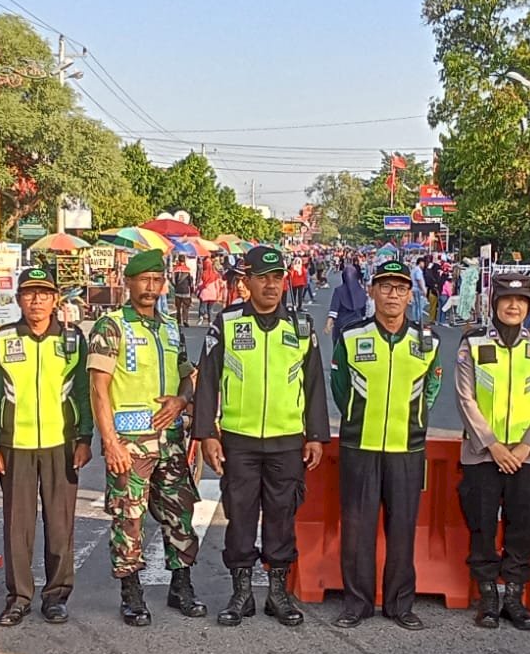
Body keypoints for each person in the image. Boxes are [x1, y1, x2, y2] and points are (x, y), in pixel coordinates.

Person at [193, 245, 329, 628]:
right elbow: (208, 379)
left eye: (277, 278)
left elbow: (314, 383)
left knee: (282, 515)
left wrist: (316, 435)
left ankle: (277, 593)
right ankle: (241, 594)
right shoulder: (227, 322)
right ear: (246, 282)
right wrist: (207, 433)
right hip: (239, 438)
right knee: (239, 517)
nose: (271, 285)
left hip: (287, 440)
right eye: (263, 278)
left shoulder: (300, 326)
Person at [88, 249, 204, 626]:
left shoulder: (170, 326)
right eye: (144, 280)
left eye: (157, 281)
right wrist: (110, 442)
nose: (151, 288)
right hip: (130, 442)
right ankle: (131, 592)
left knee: (180, 512)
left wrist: (182, 398)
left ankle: (181, 585)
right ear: (129, 282)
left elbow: (188, 373)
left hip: (170, 439)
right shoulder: (112, 326)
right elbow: (98, 388)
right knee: (129, 516)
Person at [330, 257, 443, 629]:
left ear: (411, 296)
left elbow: (432, 388)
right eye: (385, 287)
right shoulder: (351, 335)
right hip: (359, 446)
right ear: (372, 291)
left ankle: (399, 604)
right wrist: (355, 415)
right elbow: (340, 385)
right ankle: (356, 604)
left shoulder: (427, 341)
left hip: (407, 448)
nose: (392, 295)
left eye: (400, 288)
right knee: (358, 528)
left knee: (402, 528)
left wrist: (415, 420)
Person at [0, 266, 92, 624]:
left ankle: (56, 595)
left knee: (60, 525)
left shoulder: (73, 339)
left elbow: (82, 391)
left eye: (44, 293)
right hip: (16, 444)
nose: (36, 300)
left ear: (56, 299)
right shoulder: (3, 339)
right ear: (18, 300)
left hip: (62, 444)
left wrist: (84, 438)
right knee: (19, 526)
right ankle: (18, 596)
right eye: (29, 293)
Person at [455, 274, 530, 630]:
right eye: (506, 299)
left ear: (528, 306)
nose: (513, 306)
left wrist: (526, 446)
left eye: (520, 300)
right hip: (483, 454)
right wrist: (493, 445)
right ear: (494, 303)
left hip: (525, 456)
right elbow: (465, 398)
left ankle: (513, 596)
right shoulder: (473, 343)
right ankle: (488, 596)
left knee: (521, 525)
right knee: (481, 525)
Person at [326, 262, 368, 336]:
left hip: (342, 326)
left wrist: (328, 324)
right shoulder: (362, 291)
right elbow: (364, 311)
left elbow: (334, 309)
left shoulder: (339, 290)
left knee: (338, 345)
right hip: (358, 325)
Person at [170, 258, 195, 327]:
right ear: (184, 261)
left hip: (178, 291)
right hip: (186, 291)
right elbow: (191, 282)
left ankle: (178, 321)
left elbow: (173, 281)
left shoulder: (175, 270)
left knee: (178, 307)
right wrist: (192, 291)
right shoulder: (188, 270)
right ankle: (185, 320)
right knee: (185, 307)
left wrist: (175, 286)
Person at [408, 258, 428, 326]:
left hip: (413, 289)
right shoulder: (418, 270)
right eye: (423, 263)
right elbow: (419, 280)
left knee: (415, 305)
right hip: (418, 290)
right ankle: (418, 320)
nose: (424, 265)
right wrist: (423, 289)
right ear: (420, 262)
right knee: (419, 305)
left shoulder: (413, 269)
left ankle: (415, 320)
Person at [424, 258, 443, 324]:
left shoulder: (429, 272)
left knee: (433, 306)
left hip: (432, 290)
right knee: (434, 306)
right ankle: (432, 319)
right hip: (434, 291)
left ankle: (432, 319)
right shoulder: (436, 274)